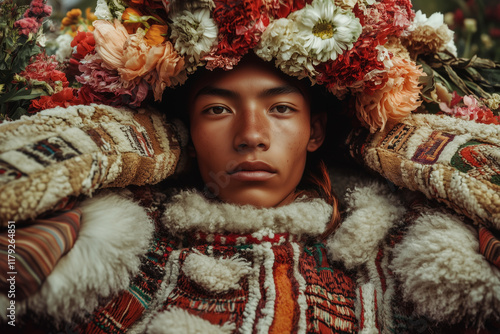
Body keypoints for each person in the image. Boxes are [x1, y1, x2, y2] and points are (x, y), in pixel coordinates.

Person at [1, 0, 499, 333]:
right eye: (217, 110)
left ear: (316, 131)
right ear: (186, 136)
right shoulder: (115, 247)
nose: (251, 135)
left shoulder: (401, 252)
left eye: (281, 109)